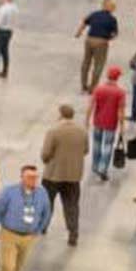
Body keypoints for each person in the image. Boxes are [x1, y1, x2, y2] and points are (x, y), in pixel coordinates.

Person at [39, 103, 89, 246]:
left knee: (47, 202)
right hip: (73, 176)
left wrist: (47, 160)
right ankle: (73, 233)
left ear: (60, 114)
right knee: (72, 205)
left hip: (53, 174)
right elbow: (85, 150)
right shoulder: (82, 131)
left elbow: (46, 153)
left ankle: (43, 226)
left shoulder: (53, 131)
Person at [87, 67, 126, 182]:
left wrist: (87, 120)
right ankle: (103, 168)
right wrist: (122, 126)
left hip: (98, 121)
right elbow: (120, 111)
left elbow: (91, 105)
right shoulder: (120, 92)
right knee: (107, 146)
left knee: (97, 144)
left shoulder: (99, 89)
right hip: (111, 123)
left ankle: (95, 166)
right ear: (117, 77)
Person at [76, 0, 118, 93]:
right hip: (101, 42)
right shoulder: (112, 19)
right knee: (98, 65)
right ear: (110, 8)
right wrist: (107, 39)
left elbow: (84, 22)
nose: (114, 8)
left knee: (86, 62)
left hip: (89, 40)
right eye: (113, 7)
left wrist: (79, 32)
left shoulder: (94, 14)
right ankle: (93, 87)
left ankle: (83, 85)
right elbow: (114, 34)